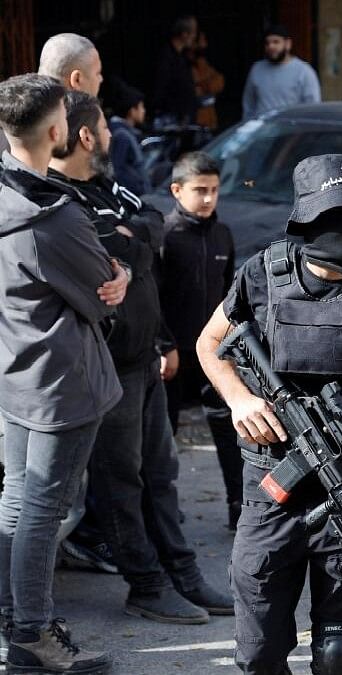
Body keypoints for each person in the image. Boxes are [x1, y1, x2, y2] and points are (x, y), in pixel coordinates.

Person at [196, 154, 342, 673]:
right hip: (270, 485)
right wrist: (240, 399)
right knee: (258, 655)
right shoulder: (262, 275)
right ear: (306, 220)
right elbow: (210, 344)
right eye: (332, 218)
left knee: (337, 656)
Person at [47, 91, 234, 626]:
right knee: (121, 483)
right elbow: (98, 251)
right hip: (106, 368)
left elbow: (153, 221)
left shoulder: (107, 187)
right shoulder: (59, 198)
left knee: (162, 474)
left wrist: (128, 248)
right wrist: (128, 244)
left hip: (144, 359)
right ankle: (146, 585)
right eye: (104, 128)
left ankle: (183, 574)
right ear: (86, 137)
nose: (113, 135)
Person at [0, 72, 128, 674]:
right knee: (42, 512)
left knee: (17, 502)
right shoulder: (53, 216)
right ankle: (30, 635)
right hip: (61, 386)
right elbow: (101, 293)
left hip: (15, 372)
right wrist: (120, 275)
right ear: (57, 130)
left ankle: (13, 619)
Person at [160, 152, 242, 530]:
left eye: (214, 191)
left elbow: (229, 298)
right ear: (177, 190)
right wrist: (164, 345)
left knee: (229, 431)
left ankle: (240, 507)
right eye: (199, 191)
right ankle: (162, 511)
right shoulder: (166, 235)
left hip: (215, 355)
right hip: (174, 355)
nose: (208, 199)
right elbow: (153, 297)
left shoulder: (223, 234)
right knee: (163, 437)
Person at [242, 24, 321, 120]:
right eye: (267, 43)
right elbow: (248, 104)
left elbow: (312, 108)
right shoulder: (256, 69)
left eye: (276, 42)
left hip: (290, 132)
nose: (271, 46)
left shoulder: (304, 72)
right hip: (261, 132)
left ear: (288, 44)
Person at [151, 15, 199, 126]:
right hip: (173, 120)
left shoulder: (182, 57)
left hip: (184, 118)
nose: (195, 37)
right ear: (184, 34)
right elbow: (161, 89)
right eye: (193, 33)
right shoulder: (166, 59)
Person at [107, 80, 150, 195]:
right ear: (132, 111)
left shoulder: (118, 131)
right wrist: (138, 187)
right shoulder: (122, 135)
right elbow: (118, 170)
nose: (143, 111)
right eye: (141, 107)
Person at [189, 32, 225, 130]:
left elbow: (219, 82)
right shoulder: (185, 63)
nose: (205, 44)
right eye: (202, 40)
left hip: (208, 121)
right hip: (194, 121)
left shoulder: (203, 62)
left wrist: (203, 85)